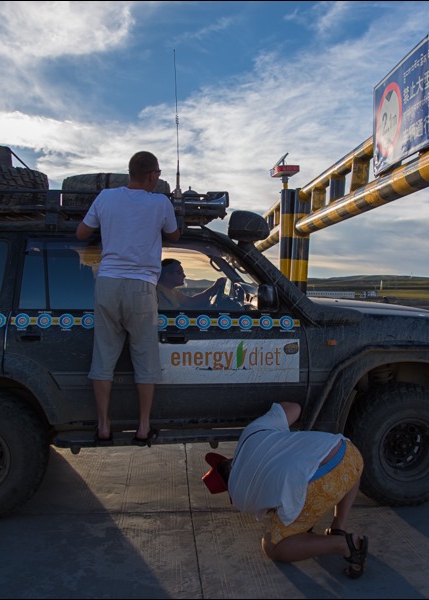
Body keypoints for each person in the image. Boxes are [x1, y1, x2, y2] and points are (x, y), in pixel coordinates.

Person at [75, 151, 180, 446]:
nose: (158, 178)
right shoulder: (161, 202)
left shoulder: (106, 197)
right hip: (141, 287)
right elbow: (173, 235)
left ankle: (104, 426)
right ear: (151, 176)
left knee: (103, 358)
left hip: (106, 283)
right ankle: (143, 427)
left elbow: (82, 232)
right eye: (158, 173)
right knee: (145, 359)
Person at [202, 402, 368, 578]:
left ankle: (343, 544)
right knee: (339, 461)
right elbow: (294, 408)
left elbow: (277, 507)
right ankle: (338, 525)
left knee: (273, 546)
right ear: (228, 461)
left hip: (326, 482)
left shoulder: (239, 496)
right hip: (350, 453)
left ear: (227, 488)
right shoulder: (252, 432)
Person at [156, 258, 226, 310]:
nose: (184, 276)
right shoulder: (159, 294)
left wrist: (215, 286)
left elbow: (192, 302)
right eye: (179, 273)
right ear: (167, 275)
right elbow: (177, 312)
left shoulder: (172, 291)